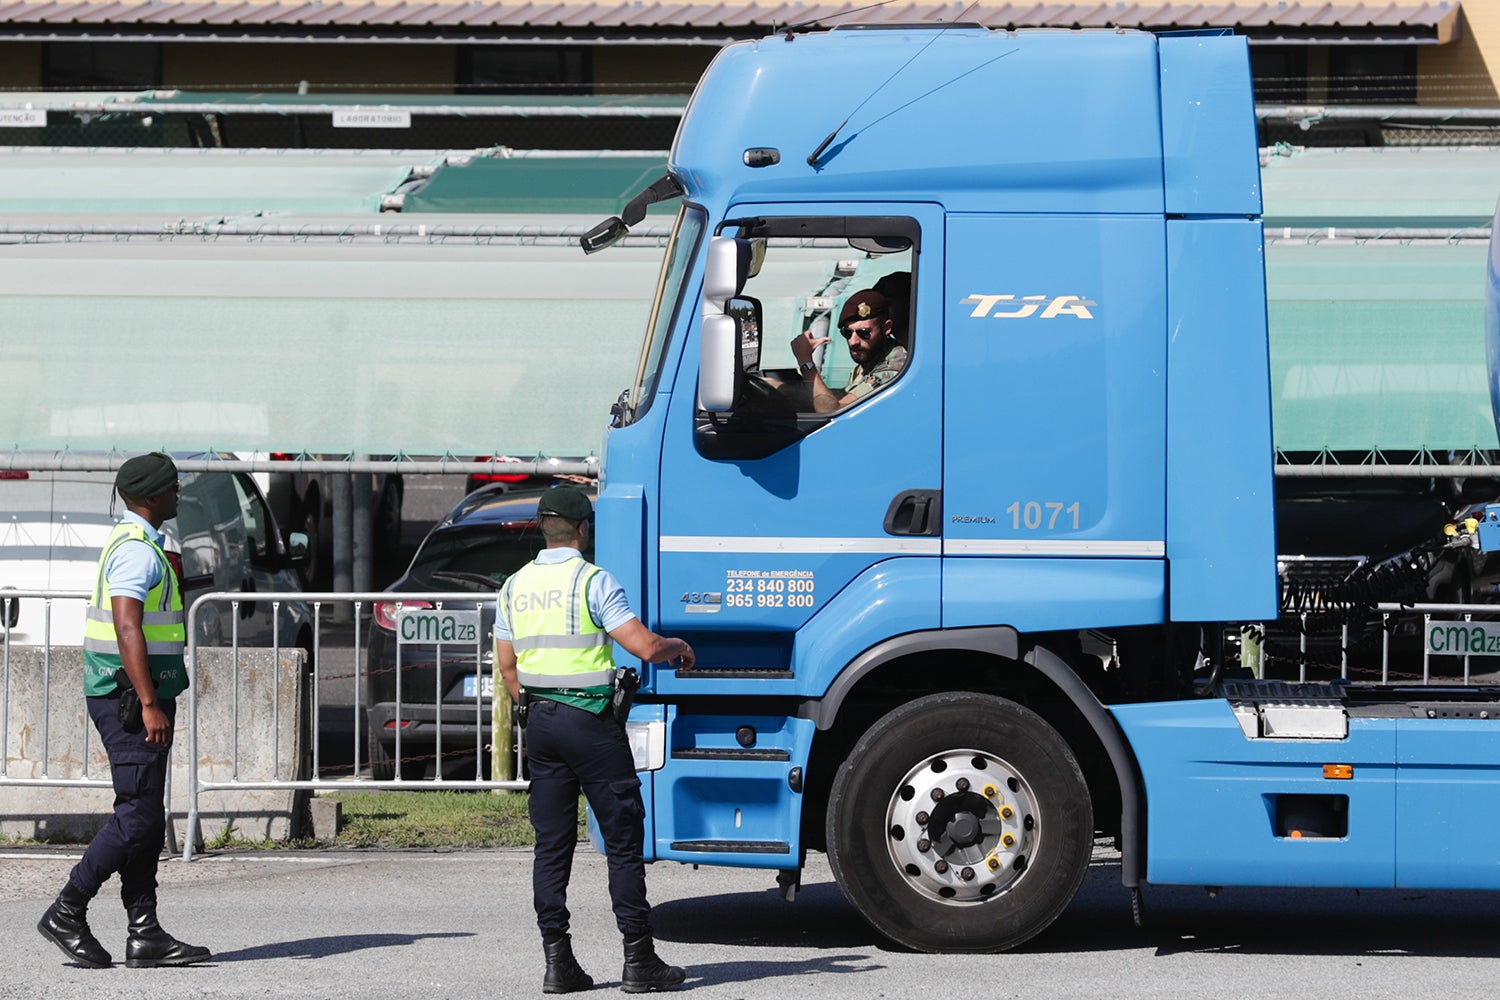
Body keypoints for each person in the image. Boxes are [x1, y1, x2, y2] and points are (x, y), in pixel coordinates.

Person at [493, 486, 695, 995]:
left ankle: (558, 964)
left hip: (541, 724)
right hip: (591, 725)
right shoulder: (592, 581)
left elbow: (508, 669)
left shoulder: (513, 586)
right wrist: (678, 646)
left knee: (551, 846)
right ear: (584, 530)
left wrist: (538, 708)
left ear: (544, 527)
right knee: (623, 840)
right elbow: (644, 646)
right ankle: (639, 960)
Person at [37, 451, 211, 969]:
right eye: (173, 486)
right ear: (152, 494)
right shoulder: (136, 551)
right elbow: (127, 625)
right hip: (130, 700)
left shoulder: (144, 543)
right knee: (136, 815)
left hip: (136, 695)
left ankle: (145, 932)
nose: (178, 493)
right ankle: (67, 909)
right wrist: (151, 702)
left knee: (147, 817)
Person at [789, 287, 910, 413]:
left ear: (886, 328)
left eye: (864, 333)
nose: (853, 341)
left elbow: (832, 412)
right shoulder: (871, 359)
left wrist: (806, 362)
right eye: (847, 332)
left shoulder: (893, 368)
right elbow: (846, 396)